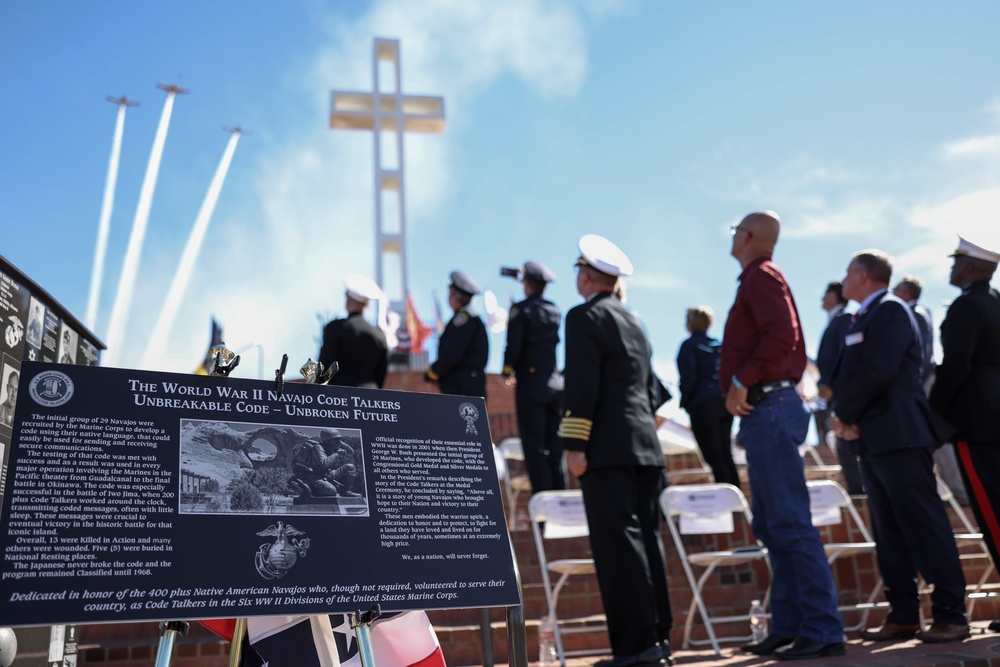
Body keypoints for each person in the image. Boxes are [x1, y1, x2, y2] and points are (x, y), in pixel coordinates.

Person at [720, 211, 844, 660]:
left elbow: (783, 336)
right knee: (774, 524)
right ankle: (792, 625)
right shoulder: (758, 277)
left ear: (748, 236)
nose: (732, 236)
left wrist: (740, 380)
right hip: (766, 408)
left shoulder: (762, 276)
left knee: (789, 521)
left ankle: (823, 629)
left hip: (770, 404)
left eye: (736, 230)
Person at [829, 249, 969, 643]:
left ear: (865, 276)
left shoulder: (890, 309)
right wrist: (849, 417)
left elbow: (880, 369)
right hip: (874, 436)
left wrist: (845, 414)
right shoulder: (864, 315)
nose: (843, 277)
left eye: (848, 270)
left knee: (923, 523)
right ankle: (903, 613)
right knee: (889, 530)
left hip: (899, 434)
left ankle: (951, 614)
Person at [559, 234, 673, 667]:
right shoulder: (634, 320)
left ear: (585, 275)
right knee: (647, 539)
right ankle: (659, 639)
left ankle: (634, 646)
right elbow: (652, 391)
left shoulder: (583, 317)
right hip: (645, 447)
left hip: (606, 449)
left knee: (617, 546)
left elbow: (582, 384)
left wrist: (574, 444)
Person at [929, 236, 1000, 631]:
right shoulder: (995, 301)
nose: (952, 269)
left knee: (992, 511)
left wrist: (932, 413)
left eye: (957, 263)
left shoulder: (966, 306)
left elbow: (955, 366)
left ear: (970, 268)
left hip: (978, 419)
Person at [893, 274, 969, 505]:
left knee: (936, 437)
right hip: (922, 383)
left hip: (922, 384)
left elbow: (920, 355)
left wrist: (913, 384)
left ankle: (959, 491)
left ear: (905, 293)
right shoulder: (918, 312)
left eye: (896, 289)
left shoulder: (914, 313)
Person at [502, 261, 565, 493]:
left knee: (535, 447)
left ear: (526, 283)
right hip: (555, 383)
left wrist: (507, 370)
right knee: (555, 448)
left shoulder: (520, 310)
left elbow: (513, 347)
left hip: (531, 385)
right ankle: (561, 500)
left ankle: (544, 509)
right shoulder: (555, 309)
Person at [675, 306, 738, 486]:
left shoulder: (688, 346)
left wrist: (687, 403)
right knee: (726, 454)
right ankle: (736, 501)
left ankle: (727, 499)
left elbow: (689, 379)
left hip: (702, 405)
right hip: (725, 403)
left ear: (689, 324)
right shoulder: (720, 345)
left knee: (714, 456)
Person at [814, 281, 863, 495]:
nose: (821, 299)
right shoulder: (834, 321)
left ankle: (859, 494)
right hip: (836, 392)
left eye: (825, 294)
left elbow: (846, 356)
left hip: (843, 394)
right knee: (843, 447)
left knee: (848, 446)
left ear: (834, 296)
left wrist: (831, 386)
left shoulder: (844, 319)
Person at [318, 273, 388, 389]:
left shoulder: (335, 328)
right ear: (367, 305)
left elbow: (325, 367)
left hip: (338, 397)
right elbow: (381, 374)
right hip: (370, 396)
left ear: (348, 302)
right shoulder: (379, 336)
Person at [425, 271, 488, 398]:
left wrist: (432, 373)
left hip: (461, 387)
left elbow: (451, 353)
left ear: (453, 295)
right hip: (468, 385)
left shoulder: (463, 319)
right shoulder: (470, 318)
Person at [290, 429, 359, 497]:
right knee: (332, 491)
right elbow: (324, 463)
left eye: (339, 439)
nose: (339, 441)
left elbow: (351, 452)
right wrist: (337, 454)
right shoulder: (318, 448)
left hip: (328, 474)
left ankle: (345, 492)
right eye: (336, 439)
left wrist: (339, 442)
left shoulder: (332, 447)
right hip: (315, 476)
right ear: (328, 441)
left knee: (350, 467)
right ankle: (308, 489)